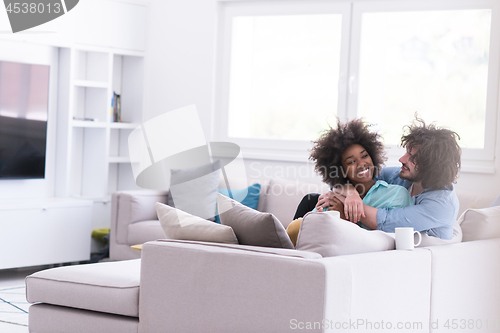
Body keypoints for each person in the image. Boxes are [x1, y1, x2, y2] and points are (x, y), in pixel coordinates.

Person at [315, 117, 461, 240]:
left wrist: (343, 201)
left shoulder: (442, 204)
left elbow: (385, 222)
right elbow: (347, 177)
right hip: (378, 248)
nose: (402, 159)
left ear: (432, 167)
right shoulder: (399, 176)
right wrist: (351, 193)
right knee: (312, 199)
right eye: (407, 152)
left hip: (415, 263)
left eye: (413, 158)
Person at [287, 119, 412, 245]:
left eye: (364, 156)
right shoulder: (333, 198)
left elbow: (390, 240)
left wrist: (343, 219)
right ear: (341, 170)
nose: (362, 164)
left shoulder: (396, 194)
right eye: (351, 162)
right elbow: (303, 232)